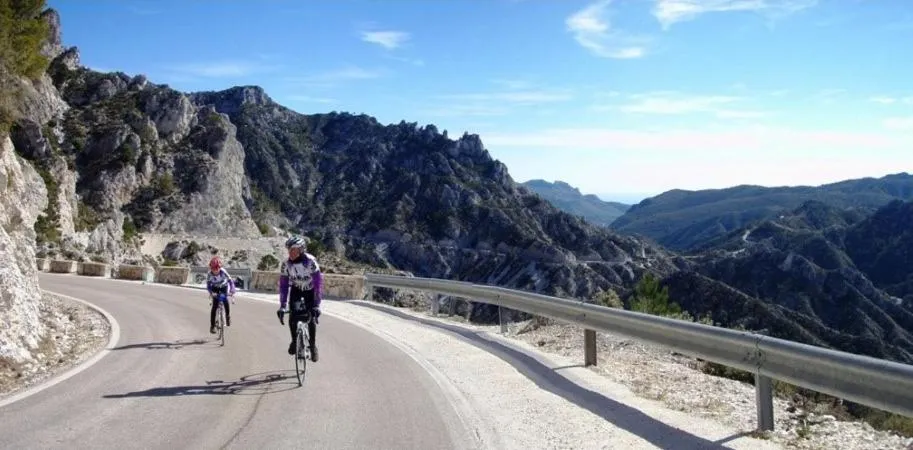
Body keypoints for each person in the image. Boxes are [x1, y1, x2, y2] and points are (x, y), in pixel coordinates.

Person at [277, 235, 322, 362]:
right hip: (296, 290)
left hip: (310, 290)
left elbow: (318, 283)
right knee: (293, 316)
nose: (290, 253)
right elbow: (284, 286)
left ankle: (313, 347)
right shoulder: (286, 264)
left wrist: (317, 304)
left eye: (293, 250)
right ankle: (294, 341)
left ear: (301, 249)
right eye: (289, 250)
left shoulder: (310, 261)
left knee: (311, 317)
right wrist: (282, 305)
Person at [206, 256, 236, 334]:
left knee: (225, 300)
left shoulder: (223, 271)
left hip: (223, 287)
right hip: (215, 288)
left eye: (217, 268)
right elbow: (208, 285)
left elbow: (231, 281)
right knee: (214, 306)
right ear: (211, 268)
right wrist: (211, 293)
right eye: (213, 269)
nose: (215, 271)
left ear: (220, 267)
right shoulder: (209, 274)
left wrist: (232, 290)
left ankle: (227, 317)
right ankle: (212, 326)